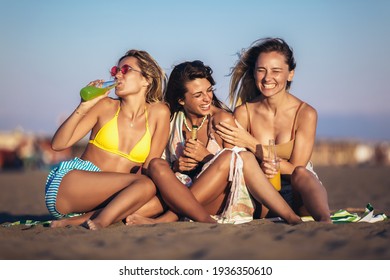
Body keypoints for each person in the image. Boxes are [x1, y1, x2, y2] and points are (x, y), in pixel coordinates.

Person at [126, 60, 302, 225]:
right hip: (183, 191)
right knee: (157, 165)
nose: (207, 98)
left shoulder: (221, 120)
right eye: (198, 95)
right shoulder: (173, 121)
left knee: (229, 157)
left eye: (209, 90)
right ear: (181, 100)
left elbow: (237, 168)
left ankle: (165, 220)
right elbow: (160, 170)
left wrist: (205, 157)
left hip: (218, 198)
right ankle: (109, 214)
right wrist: (177, 166)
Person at [45, 49, 170, 229]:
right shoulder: (105, 106)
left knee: (161, 199)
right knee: (146, 185)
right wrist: (84, 105)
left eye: (126, 69)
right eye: (115, 70)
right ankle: (102, 220)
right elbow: (58, 144)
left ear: (146, 79)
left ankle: (77, 220)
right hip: (72, 185)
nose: (118, 74)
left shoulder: (160, 113)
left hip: (110, 196)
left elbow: (150, 166)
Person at [216, 38, 332, 222]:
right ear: (254, 73)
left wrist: (251, 144)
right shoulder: (244, 113)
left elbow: (295, 169)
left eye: (276, 71)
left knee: (303, 173)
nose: (267, 78)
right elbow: (237, 165)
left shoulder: (305, 114)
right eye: (261, 70)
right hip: (262, 195)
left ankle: (326, 222)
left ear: (290, 74)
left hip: (297, 193)